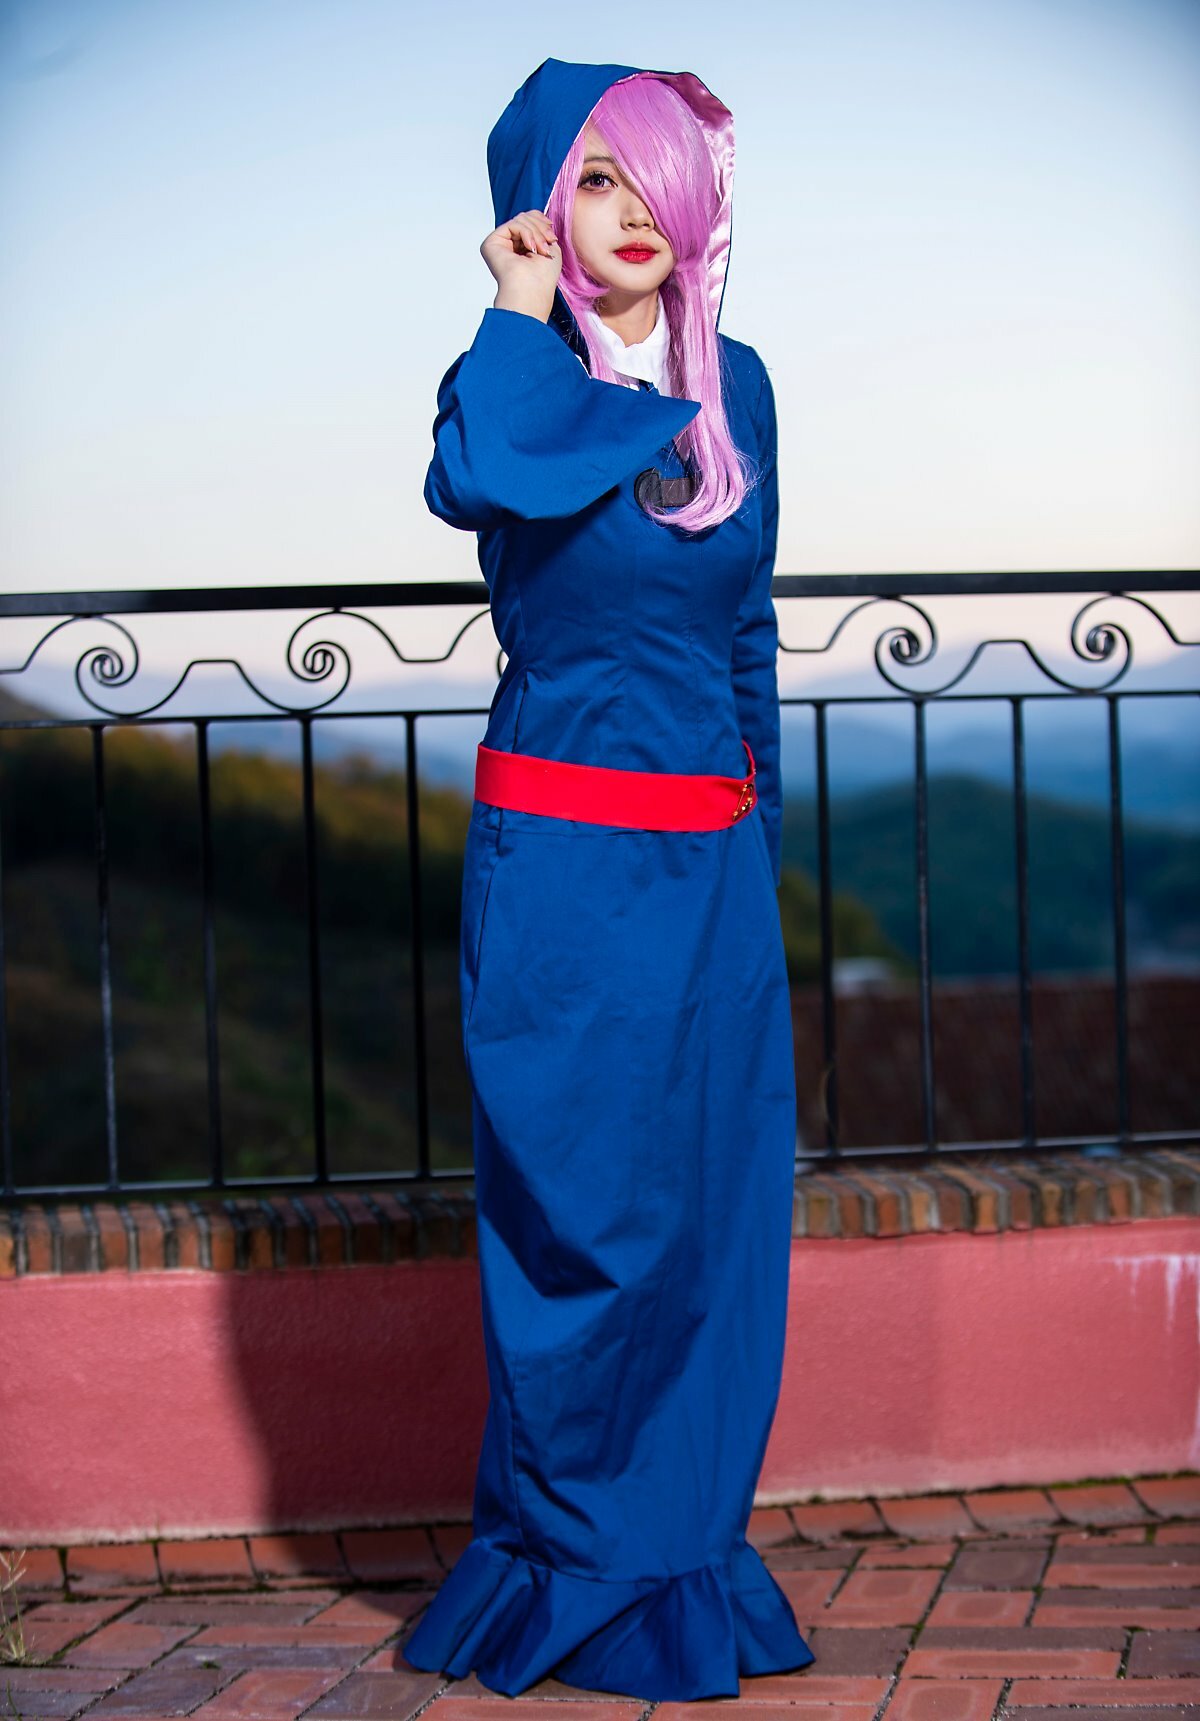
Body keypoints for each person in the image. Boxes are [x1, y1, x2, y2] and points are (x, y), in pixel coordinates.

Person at [401, 56, 813, 1702]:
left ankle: (679, 1557)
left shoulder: (741, 384)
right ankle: (576, 1568)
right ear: (538, 205)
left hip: (712, 875)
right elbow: (484, 479)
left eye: (652, 176)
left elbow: (745, 632)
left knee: (714, 1224)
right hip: (563, 874)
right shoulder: (509, 378)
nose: (631, 210)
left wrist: (760, 850)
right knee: (585, 1229)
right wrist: (515, 306)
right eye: (591, 179)